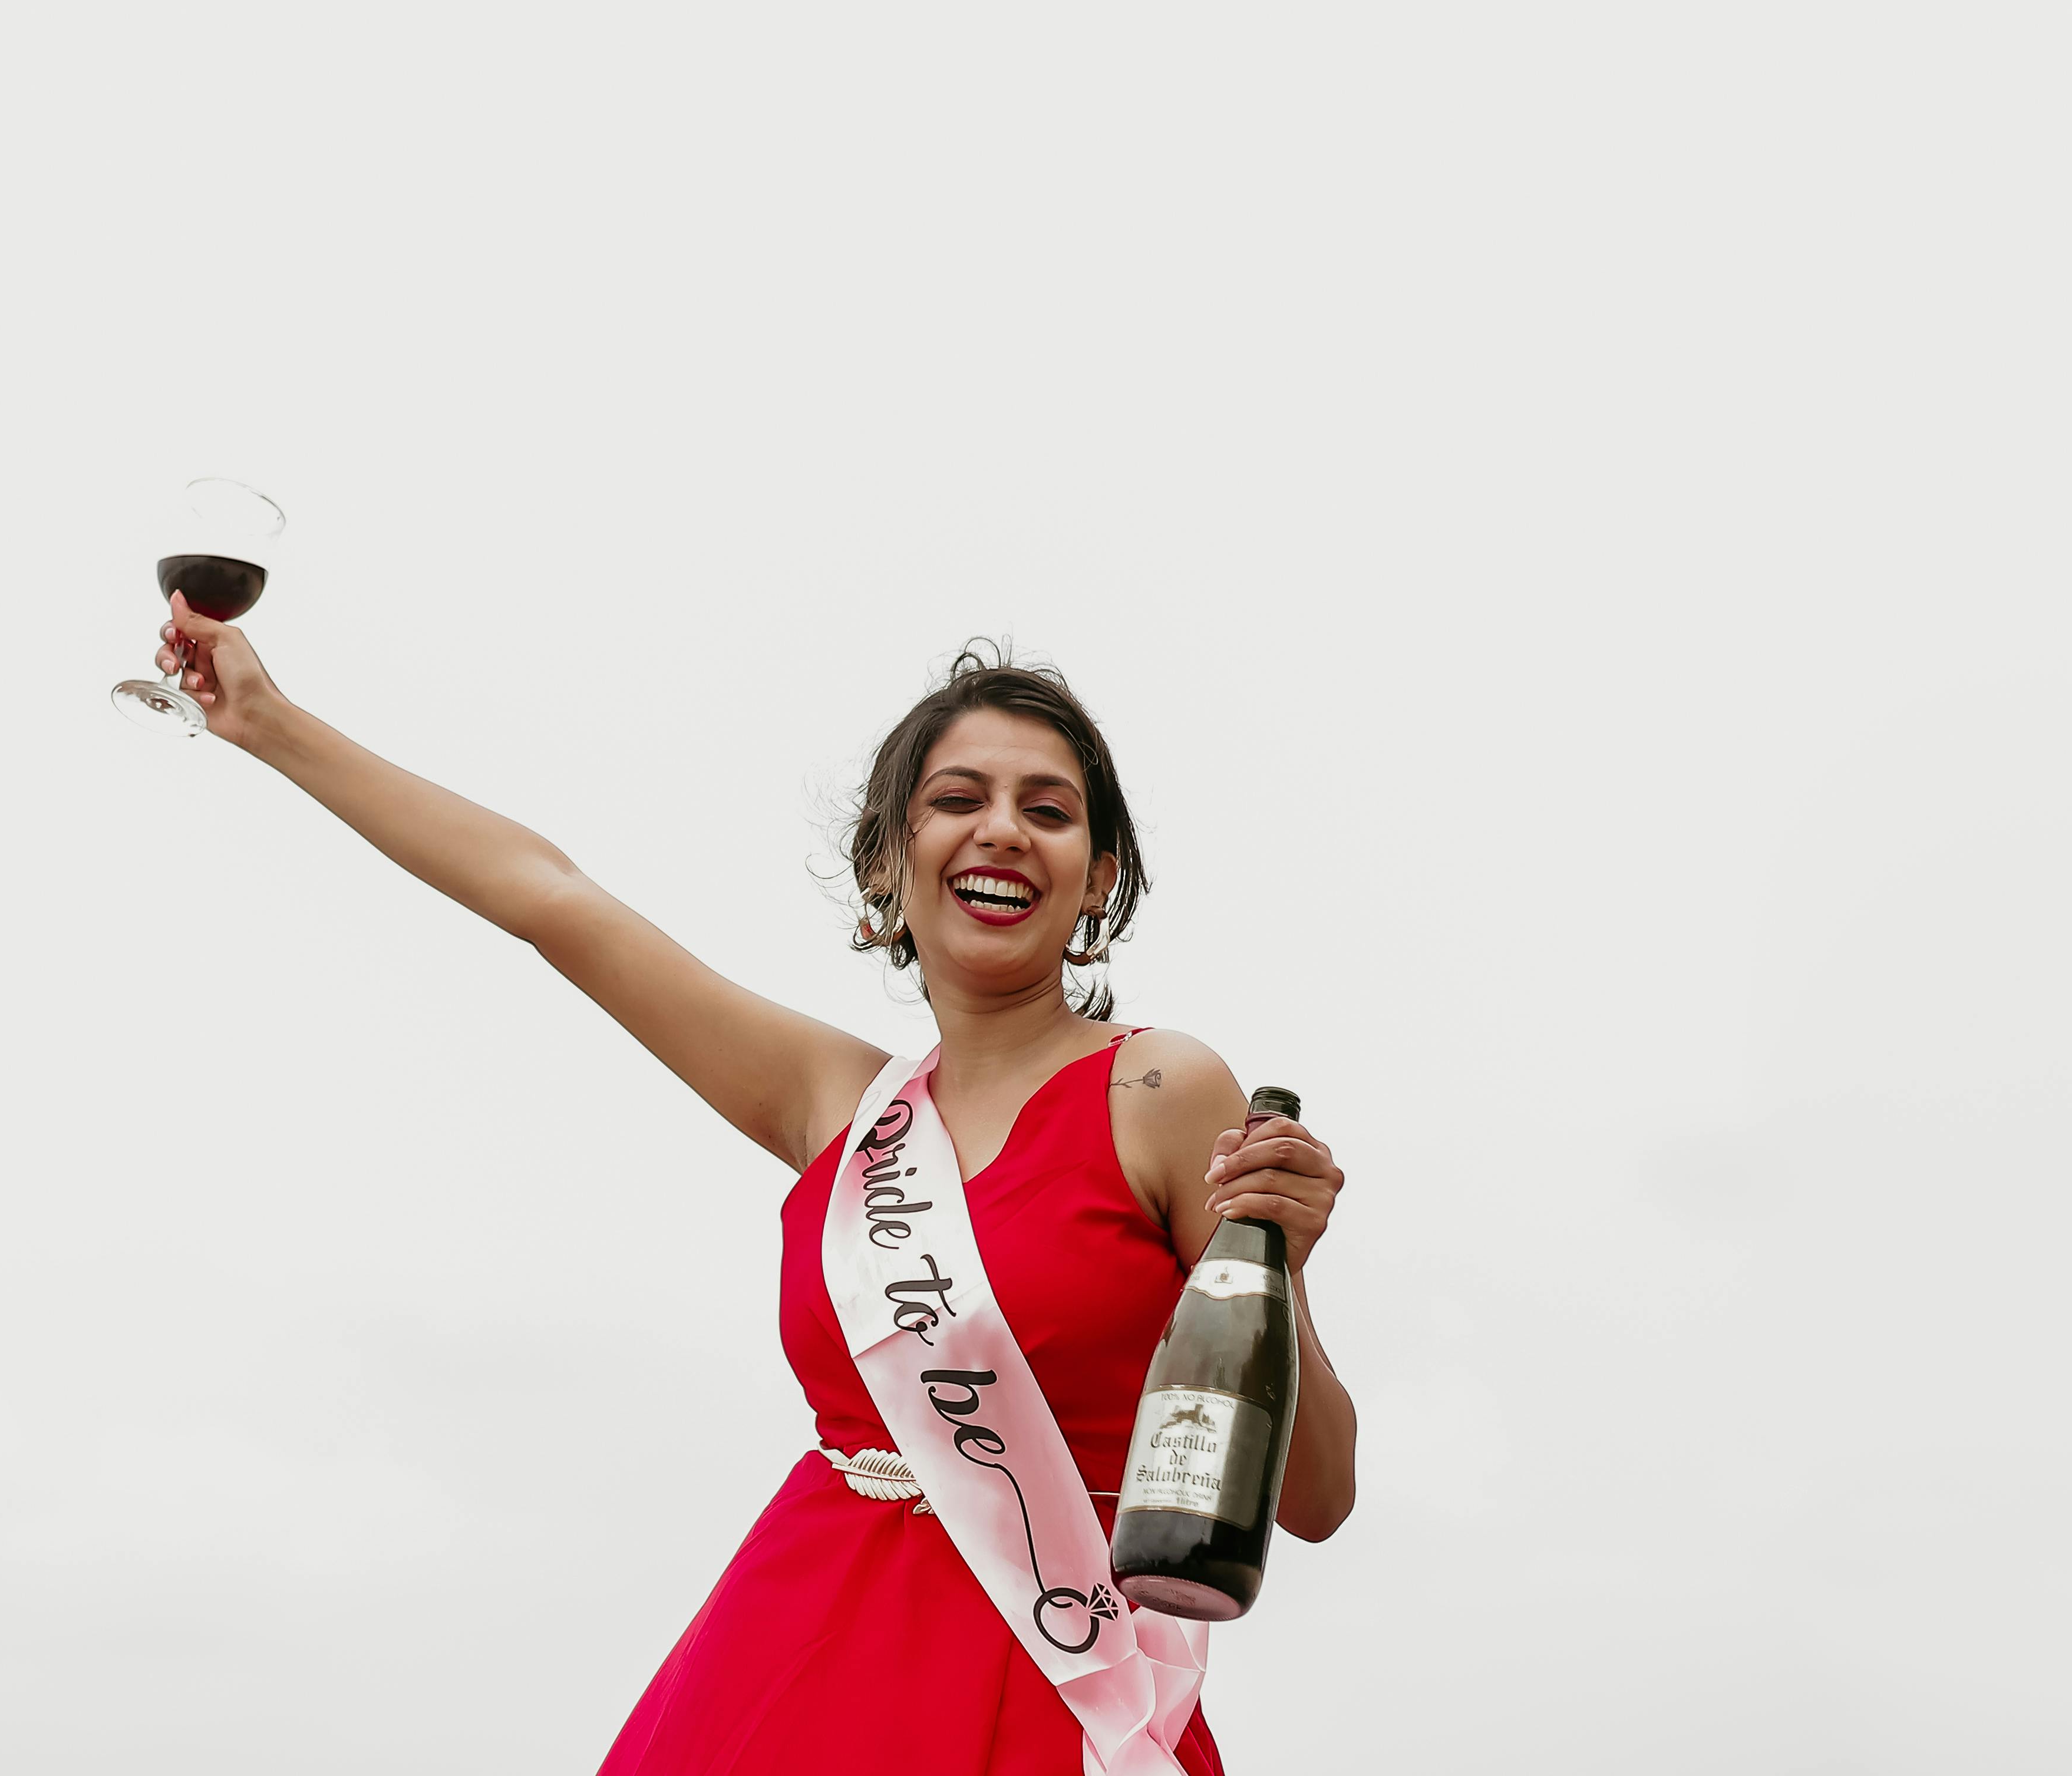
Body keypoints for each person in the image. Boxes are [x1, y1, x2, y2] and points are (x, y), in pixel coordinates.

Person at [151, 599, 1357, 1775]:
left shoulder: (1161, 1088)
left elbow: (1312, 1497)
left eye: (1045, 811)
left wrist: (1279, 1270)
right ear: (888, 862)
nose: (999, 830)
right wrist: (266, 721)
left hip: (1055, 1678)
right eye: (955, 800)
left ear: (1095, 881)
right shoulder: (839, 1105)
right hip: (797, 1653)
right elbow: (553, 902)